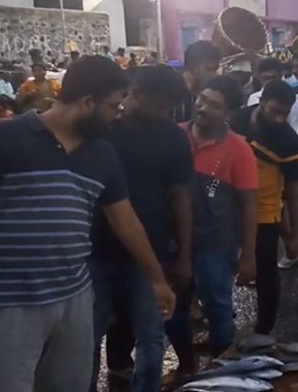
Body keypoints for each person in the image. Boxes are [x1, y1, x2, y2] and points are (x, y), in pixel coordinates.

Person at [0, 56, 175, 392]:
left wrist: (157, 279)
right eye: (113, 106)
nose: (119, 113)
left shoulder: (102, 155)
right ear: (88, 103)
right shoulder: (2, 137)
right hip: (6, 301)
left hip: (74, 298)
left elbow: (125, 221)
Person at [89, 64, 193, 392]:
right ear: (138, 94)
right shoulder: (101, 130)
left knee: (151, 334)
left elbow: (180, 196)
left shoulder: (172, 136)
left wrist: (184, 255)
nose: (165, 113)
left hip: (150, 251)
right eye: (161, 105)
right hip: (95, 250)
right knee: (87, 334)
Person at [166, 75, 259, 370]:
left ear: (229, 113)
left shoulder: (239, 149)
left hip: (216, 244)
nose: (203, 108)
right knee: (173, 306)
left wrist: (249, 256)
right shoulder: (174, 137)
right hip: (172, 242)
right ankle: (186, 364)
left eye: (214, 105)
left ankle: (221, 369)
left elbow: (249, 206)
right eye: (202, 99)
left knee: (218, 305)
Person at [230, 80, 298, 335]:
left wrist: (296, 237)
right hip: (225, 208)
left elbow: (294, 195)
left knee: (265, 271)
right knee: (219, 266)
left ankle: (264, 330)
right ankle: (218, 319)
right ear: (261, 101)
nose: (279, 118)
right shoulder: (236, 120)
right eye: (275, 110)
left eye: (285, 113)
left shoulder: (289, 142)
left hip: (264, 213)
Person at [246, 58, 298, 134]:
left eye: (273, 78)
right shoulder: (253, 98)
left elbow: (296, 129)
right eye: (265, 78)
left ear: (280, 76)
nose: (269, 82)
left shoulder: (292, 101)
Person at [174, 41, 221, 122]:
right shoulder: (171, 97)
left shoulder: (210, 98)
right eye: (210, 69)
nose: (215, 75)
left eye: (216, 69)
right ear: (193, 68)